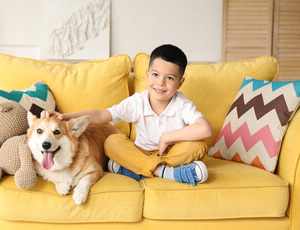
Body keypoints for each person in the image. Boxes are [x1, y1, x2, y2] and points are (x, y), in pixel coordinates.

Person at [42, 44, 212, 185]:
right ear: (147, 75)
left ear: (180, 83)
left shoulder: (181, 104)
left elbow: (205, 129)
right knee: (112, 142)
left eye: (169, 78)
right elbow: (102, 116)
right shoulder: (138, 102)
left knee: (198, 145)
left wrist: (167, 137)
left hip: (170, 154)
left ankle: (134, 171)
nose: (160, 83)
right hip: (139, 153)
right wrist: (66, 117)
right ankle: (166, 173)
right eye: (155, 75)